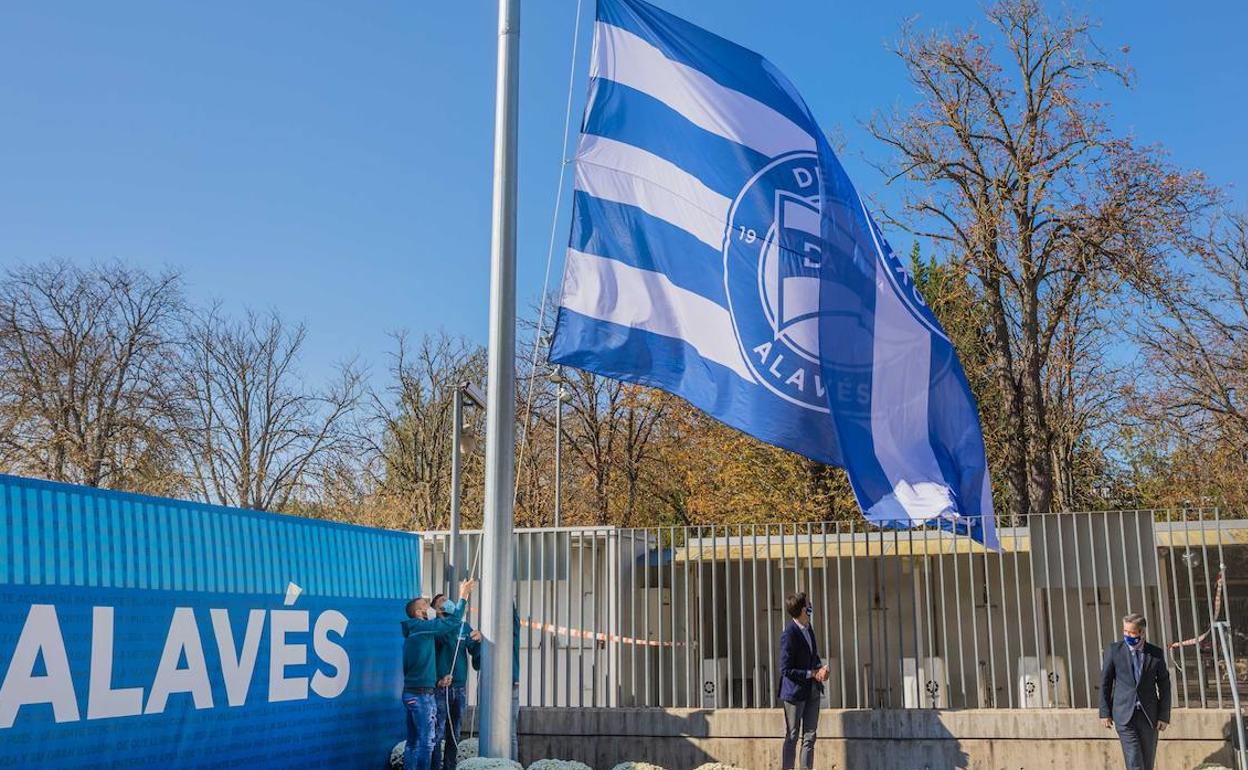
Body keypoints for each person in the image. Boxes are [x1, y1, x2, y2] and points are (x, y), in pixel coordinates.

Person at [402, 579, 475, 770]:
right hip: (421, 695)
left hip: (413, 692)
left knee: (413, 742)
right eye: (426, 604)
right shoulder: (422, 628)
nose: (429, 605)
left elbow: (421, 665)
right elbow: (452, 621)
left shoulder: (418, 632)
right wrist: (463, 596)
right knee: (427, 743)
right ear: (419, 613)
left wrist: (440, 679)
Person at [1099, 613, 1171, 770]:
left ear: (1142, 632)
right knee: (1134, 762)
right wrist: (1105, 712)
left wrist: (1164, 715)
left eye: (1131, 632)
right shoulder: (1114, 651)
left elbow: (1165, 685)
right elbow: (1105, 682)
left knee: (1147, 762)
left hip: (1148, 716)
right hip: (1124, 715)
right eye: (1125, 631)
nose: (1127, 635)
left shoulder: (1155, 654)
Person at [429, 591, 482, 770]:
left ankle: (450, 767)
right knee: (437, 733)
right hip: (441, 689)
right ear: (437, 610)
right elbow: (443, 636)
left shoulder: (463, 626)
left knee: (454, 733)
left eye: (447, 599)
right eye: (442, 602)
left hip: (459, 688)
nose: (447, 602)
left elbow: (475, 654)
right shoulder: (437, 626)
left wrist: (478, 641)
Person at [777, 591, 827, 770]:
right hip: (795, 693)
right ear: (803, 610)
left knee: (810, 735)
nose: (811, 607)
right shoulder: (789, 634)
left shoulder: (808, 628)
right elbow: (785, 669)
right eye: (808, 605)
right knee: (792, 735)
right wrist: (810, 673)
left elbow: (813, 655)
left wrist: (820, 668)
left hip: (813, 690)